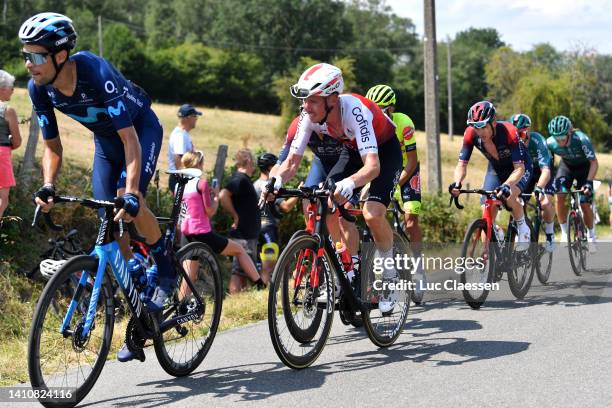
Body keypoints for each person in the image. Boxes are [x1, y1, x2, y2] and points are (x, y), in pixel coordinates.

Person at [21, 12, 173, 362]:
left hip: (139, 132)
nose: (30, 64)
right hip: (106, 146)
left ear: (61, 55)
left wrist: (133, 193)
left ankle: (164, 268)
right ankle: (135, 280)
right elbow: (53, 148)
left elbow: (131, 142)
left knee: (126, 201)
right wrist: (48, 184)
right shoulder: (39, 89)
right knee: (109, 214)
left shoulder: (95, 73)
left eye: (38, 56)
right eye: (26, 55)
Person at [267, 63, 403, 313]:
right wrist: (275, 181)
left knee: (372, 214)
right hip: (351, 151)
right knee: (324, 200)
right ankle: (347, 267)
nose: (305, 107)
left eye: (312, 101)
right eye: (304, 101)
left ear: (332, 98)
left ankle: (390, 276)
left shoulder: (355, 111)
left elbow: (372, 167)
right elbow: (291, 163)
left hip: (384, 151)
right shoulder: (309, 116)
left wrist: (350, 183)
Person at [365, 84, 425, 291]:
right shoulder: (367, 123)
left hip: (407, 170)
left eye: (381, 109)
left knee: (410, 221)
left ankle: (418, 267)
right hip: (382, 169)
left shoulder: (403, 122)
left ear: (391, 109)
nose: (376, 113)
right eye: (373, 108)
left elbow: (412, 161)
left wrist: (396, 184)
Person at [450, 101, 533, 249]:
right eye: (475, 127)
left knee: (509, 195)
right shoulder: (470, 134)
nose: (479, 131)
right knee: (486, 209)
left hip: (520, 168)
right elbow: (462, 164)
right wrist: (457, 183)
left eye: (482, 126)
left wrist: (507, 185)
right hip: (495, 169)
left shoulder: (509, 131)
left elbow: (519, 169)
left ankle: (522, 227)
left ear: (493, 123)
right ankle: (487, 257)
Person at [179, 151, 264, 293]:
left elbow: (184, 212)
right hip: (202, 233)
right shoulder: (202, 184)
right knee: (239, 250)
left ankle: (181, 309)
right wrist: (216, 197)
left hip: (186, 233)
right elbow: (210, 211)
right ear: (199, 164)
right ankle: (260, 284)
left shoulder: (180, 185)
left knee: (188, 276)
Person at [546, 115, 599, 252]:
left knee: (584, 203)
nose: (560, 142)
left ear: (569, 132)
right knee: (560, 194)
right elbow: (548, 165)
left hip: (584, 169)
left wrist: (588, 182)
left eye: (562, 138)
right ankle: (564, 232)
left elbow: (594, 163)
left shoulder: (582, 140)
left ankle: (591, 235)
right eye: (557, 139)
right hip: (567, 168)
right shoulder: (550, 143)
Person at [219, 148, 264, 293]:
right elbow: (223, 195)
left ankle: (241, 299)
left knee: (244, 270)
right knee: (239, 271)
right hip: (243, 233)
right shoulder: (239, 179)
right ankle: (235, 300)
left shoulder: (243, 180)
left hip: (248, 233)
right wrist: (235, 215)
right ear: (249, 161)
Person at [510, 113, 556, 251]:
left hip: (543, 172)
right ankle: (521, 236)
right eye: (515, 134)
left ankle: (549, 234)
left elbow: (546, 170)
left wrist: (540, 188)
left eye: (521, 133)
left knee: (545, 202)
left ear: (528, 130)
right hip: (526, 173)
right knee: (516, 203)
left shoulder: (537, 140)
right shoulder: (512, 144)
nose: (518, 137)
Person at [253, 153, 299, 283]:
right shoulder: (270, 186)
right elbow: (285, 207)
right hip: (268, 229)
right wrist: (299, 192)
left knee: (259, 266)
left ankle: (260, 290)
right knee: (268, 267)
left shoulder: (254, 184)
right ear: (269, 168)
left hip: (255, 229)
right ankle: (266, 294)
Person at [0, 69, 22, 221]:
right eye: (11, 87)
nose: (13, 91)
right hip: (1, 154)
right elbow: (17, 141)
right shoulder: (8, 111)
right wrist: (9, 144)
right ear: (2, 89)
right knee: (2, 198)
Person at [167, 104, 200, 194]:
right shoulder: (180, 136)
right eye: (195, 116)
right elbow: (179, 158)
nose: (196, 119)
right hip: (180, 179)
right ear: (188, 118)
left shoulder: (182, 133)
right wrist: (183, 181)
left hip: (180, 178)